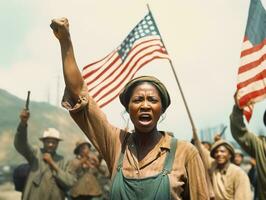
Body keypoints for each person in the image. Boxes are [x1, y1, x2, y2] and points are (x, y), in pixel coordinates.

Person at [50, 17, 209, 199]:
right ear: (128, 108)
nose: (145, 105)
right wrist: (65, 42)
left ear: (162, 109)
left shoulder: (185, 153)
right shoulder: (116, 144)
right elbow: (79, 93)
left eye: (152, 100)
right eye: (138, 100)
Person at [14, 108, 77, 200]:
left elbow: (70, 182)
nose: (50, 145)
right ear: (43, 142)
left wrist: (52, 163)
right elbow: (21, 144)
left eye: (54, 142)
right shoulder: (35, 154)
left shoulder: (63, 161)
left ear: (57, 144)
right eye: (48, 141)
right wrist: (23, 124)